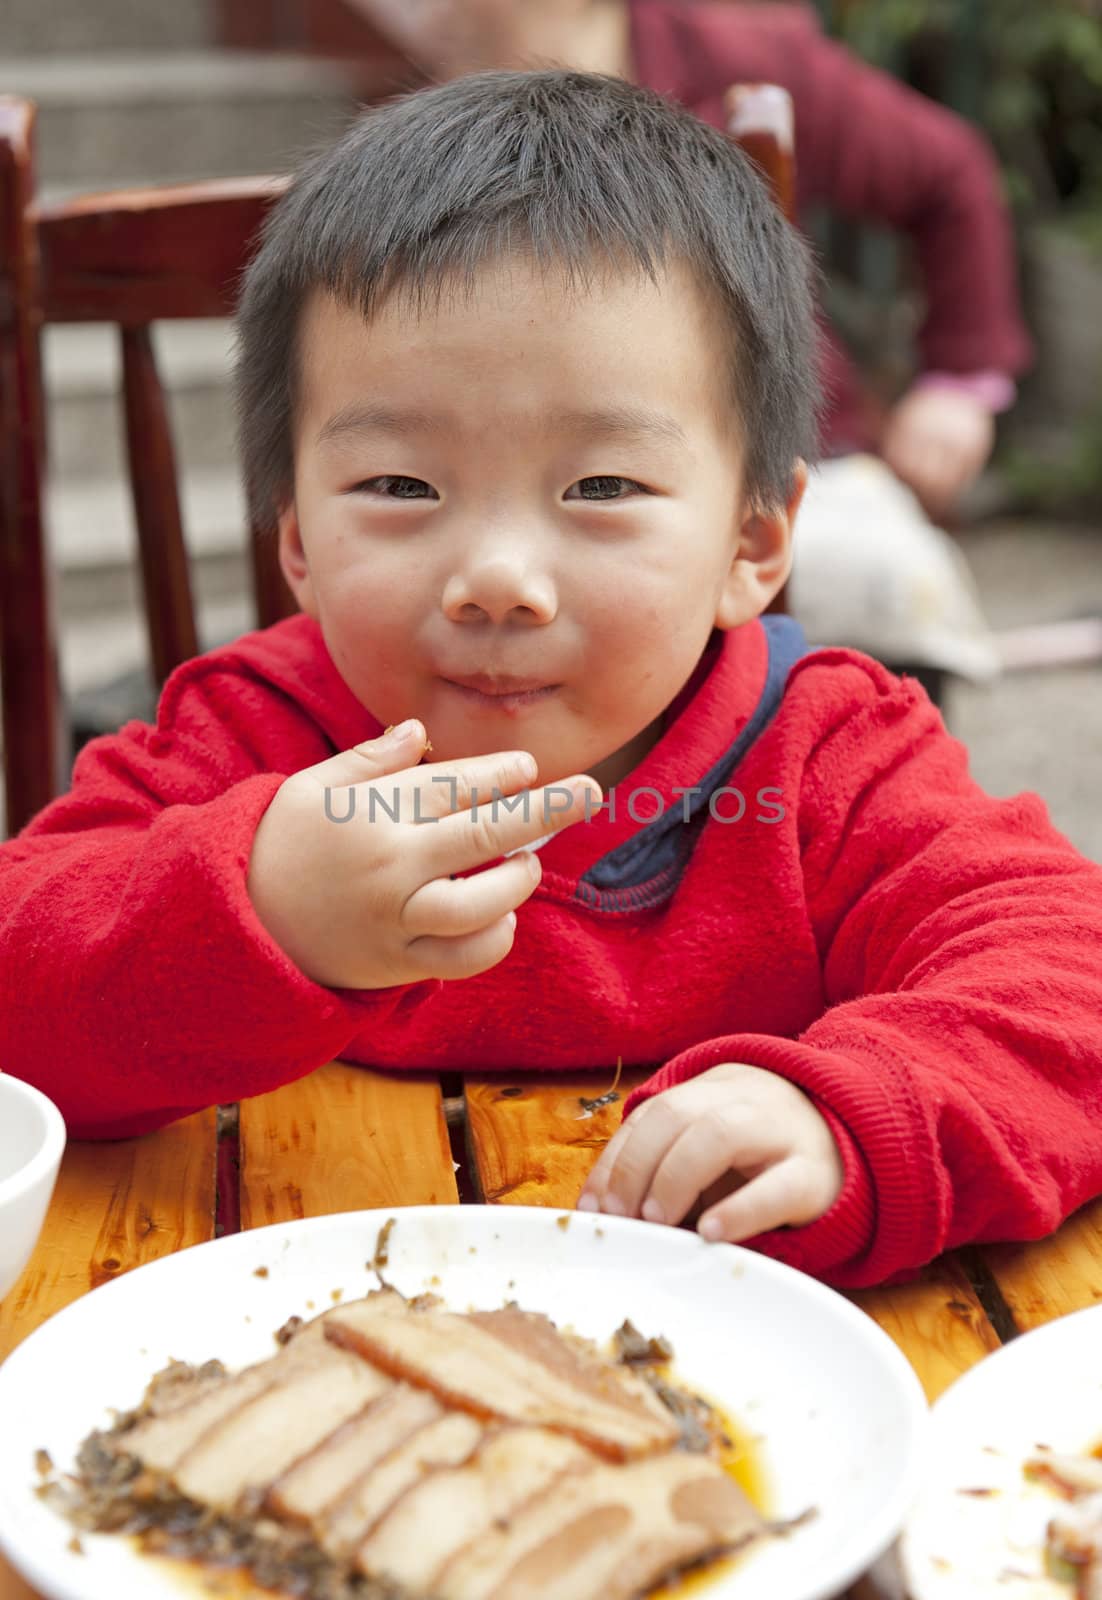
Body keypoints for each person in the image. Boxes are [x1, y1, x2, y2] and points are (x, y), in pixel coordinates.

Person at [2, 70, 1100, 1291]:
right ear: (296, 538)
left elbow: (1070, 979)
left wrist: (847, 1112)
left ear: (752, 542)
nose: (497, 578)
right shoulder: (251, 739)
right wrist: (258, 905)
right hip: (274, 1293)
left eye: (601, 488)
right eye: (402, 488)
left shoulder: (830, 757)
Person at [346, 0, 1032, 683]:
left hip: (778, 450)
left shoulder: (746, 61)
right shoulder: (396, 139)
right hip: (521, 480)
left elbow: (948, 174)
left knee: (884, 579)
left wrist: (959, 383)